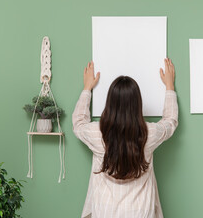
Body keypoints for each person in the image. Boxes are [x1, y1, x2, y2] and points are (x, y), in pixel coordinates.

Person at [72, 58, 178, 218]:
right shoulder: (149, 133)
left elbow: (79, 123)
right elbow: (170, 122)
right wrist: (169, 86)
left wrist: (87, 88)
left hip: (104, 210)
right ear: (137, 104)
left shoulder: (97, 133)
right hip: (141, 212)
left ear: (110, 104)